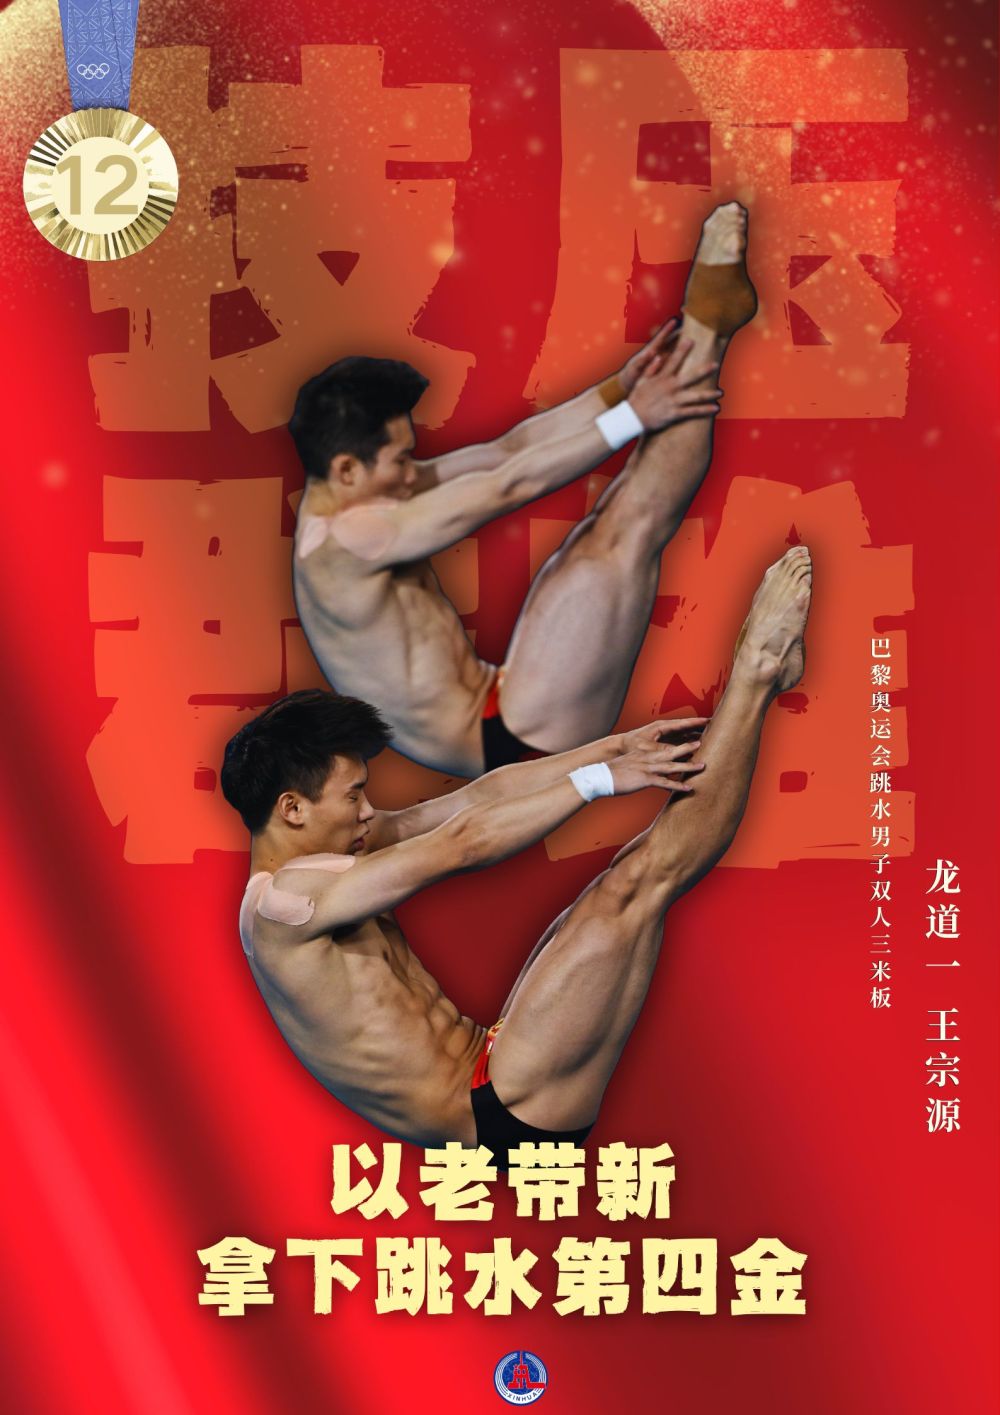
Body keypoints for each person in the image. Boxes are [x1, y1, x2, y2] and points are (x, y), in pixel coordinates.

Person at [221, 547, 811, 1167]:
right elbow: (461, 843)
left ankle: (763, 679)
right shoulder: (284, 904)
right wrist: (599, 782)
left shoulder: (337, 851)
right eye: (353, 796)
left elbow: (475, 800)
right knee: (638, 885)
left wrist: (611, 751)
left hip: (496, 1060)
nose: (369, 811)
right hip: (497, 1114)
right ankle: (759, 670)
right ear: (292, 808)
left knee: (628, 883)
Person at [289, 202, 757, 777]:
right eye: (402, 459)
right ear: (345, 469)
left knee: (598, 539)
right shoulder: (352, 540)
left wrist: (618, 390)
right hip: (510, 744)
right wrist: (635, 416)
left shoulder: (355, 492)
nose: (414, 472)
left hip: (503, 696)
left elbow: (506, 452)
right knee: (617, 538)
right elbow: (508, 486)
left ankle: (708, 325)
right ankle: (708, 329)